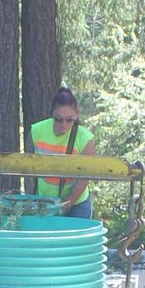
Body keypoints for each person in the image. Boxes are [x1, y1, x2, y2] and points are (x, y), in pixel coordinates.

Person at [30, 87, 97, 218]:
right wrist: (31, 198)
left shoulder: (86, 139)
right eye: (58, 119)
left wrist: (67, 204)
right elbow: (28, 170)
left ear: (77, 114)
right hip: (43, 201)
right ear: (52, 114)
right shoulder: (36, 131)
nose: (64, 125)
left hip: (76, 204)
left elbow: (83, 179)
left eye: (69, 120)